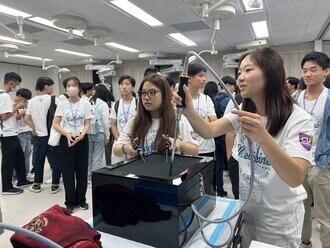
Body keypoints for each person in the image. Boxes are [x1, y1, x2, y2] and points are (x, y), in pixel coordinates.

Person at [173, 47, 314, 248]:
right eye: (239, 72)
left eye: (248, 70)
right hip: (248, 209)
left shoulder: (299, 120)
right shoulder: (242, 112)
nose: (240, 77)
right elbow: (208, 130)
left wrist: (264, 138)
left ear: (271, 73)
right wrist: (188, 110)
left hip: (278, 218)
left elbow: (295, 177)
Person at [113, 74, 198, 158]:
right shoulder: (135, 120)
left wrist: (181, 145)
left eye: (151, 93)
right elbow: (116, 150)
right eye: (143, 93)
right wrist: (125, 148)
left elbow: (195, 150)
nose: (146, 97)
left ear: (164, 94)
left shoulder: (178, 119)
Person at [297, 51, 329, 248]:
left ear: (326, 72)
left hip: (320, 162)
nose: (307, 74)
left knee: (324, 212)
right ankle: (304, 241)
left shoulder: (328, 98)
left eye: (313, 70)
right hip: (299, 160)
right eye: (305, 70)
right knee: (300, 208)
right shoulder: (294, 98)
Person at [53, 77, 93, 213]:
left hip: (82, 139)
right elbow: (55, 124)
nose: (71, 88)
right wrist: (67, 134)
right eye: (68, 86)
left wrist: (82, 134)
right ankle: (70, 201)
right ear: (65, 89)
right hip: (67, 139)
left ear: (79, 87)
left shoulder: (85, 103)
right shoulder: (62, 104)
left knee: (82, 170)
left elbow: (87, 122)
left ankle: (81, 200)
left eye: (74, 85)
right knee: (67, 171)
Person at [25, 77, 61, 194]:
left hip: (39, 136)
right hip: (53, 135)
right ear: (46, 87)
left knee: (39, 160)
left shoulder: (31, 101)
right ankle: (55, 185)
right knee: (55, 160)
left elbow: (26, 119)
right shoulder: (54, 99)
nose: (52, 88)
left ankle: (37, 185)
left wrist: (34, 129)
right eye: (51, 86)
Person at [0, 72, 33, 195]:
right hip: (7, 133)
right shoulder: (4, 96)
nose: (16, 88)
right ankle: (7, 187)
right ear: (11, 83)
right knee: (8, 160)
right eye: (16, 85)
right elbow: (4, 116)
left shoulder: (4, 96)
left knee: (19, 157)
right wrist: (16, 107)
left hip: (12, 132)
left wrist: (15, 107)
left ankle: (22, 180)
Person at [187, 63, 217, 195]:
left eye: (204, 76)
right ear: (189, 78)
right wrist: (204, 121)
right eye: (200, 76)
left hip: (207, 148)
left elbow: (214, 123)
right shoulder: (181, 100)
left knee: (207, 184)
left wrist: (194, 121)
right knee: (189, 184)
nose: (204, 79)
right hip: (188, 149)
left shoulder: (206, 99)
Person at [203, 81, 227, 197]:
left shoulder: (208, 101)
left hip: (210, 138)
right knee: (218, 164)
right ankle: (219, 191)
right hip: (219, 137)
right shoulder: (223, 100)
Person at [110, 75, 137, 164]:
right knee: (117, 166)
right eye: (121, 84)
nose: (124, 86)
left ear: (133, 87)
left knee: (134, 165)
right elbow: (113, 124)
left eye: (127, 84)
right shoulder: (116, 104)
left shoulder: (138, 103)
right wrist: (118, 140)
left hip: (134, 142)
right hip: (119, 141)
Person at [88, 84, 110, 181]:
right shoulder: (103, 104)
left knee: (89, 156)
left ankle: (88, 177)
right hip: (99, 132)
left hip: (88, 132)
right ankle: (94, 178)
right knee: (97, 157)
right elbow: (106, 122)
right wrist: (107, 137)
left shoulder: (88, 101)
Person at [15, 88, 33, 178]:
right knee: (19, 155)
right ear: (20, 96)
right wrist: (22, 112)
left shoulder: (27, 105)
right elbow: (12, 118)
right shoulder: (13, 105)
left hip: (28, 131)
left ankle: (26, 173)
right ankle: (17, 175)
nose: (25, 101)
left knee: (27, 153)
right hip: (19, 133)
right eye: (25, 99)